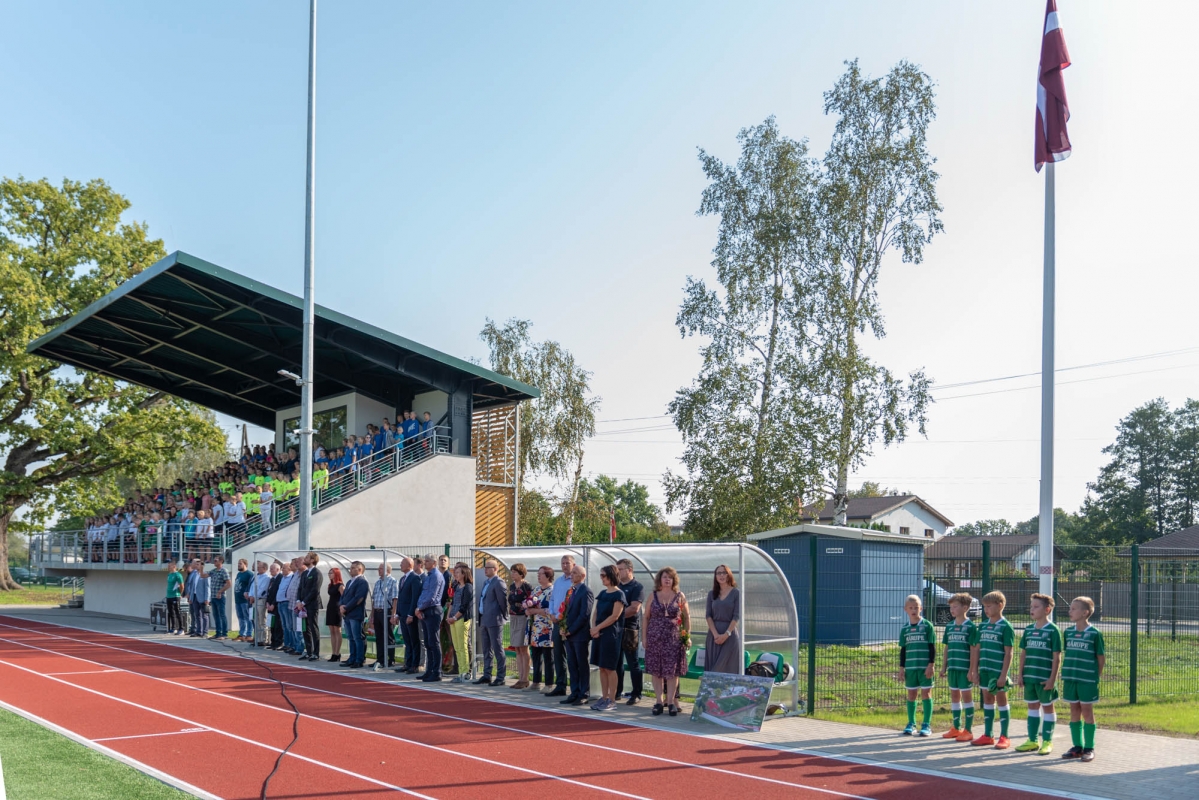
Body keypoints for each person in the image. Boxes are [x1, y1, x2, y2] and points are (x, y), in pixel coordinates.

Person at [1014, 593, 1062, 755]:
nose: (1032, 609)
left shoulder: (1053, 630)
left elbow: (1057, 657)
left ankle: (1047, 741)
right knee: (1032, 707)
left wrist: (1052, 679)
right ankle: (1032, 740)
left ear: (1047, 610)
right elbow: (1023, 654)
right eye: (1031, 606)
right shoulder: (1028, 630)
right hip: (1030, 677)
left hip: (1045, 679)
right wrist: (1020, 674)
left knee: (1048, 707)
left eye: (1036, 607)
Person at [1061, 596, 1104, 762]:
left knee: (1087, 711)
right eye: (1070, 608)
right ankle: (1077, 747)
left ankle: (1089, 747)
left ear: (1085, 612)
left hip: (1087, 680)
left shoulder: (1094, 634)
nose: (1070, 611)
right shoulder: (1069, 632)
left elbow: (1100, 657)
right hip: (1071, 677)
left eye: (1074, 609)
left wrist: (1095, 676)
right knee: (1074, 710)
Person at [973, 590, 1015, 749]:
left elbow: (1009, 652)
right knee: (987, 699)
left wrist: (1003, 675)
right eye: (984, 606)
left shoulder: (1006, 626)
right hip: (985, 670)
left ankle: (1005, 736)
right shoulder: (983, 625)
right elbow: (976, 649)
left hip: (998, 671)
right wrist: (974, 671)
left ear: (1000, 605)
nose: (986, 609)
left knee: (1002, 700)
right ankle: (988, 735)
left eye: (989, 606)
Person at [644, 566, 689, 717]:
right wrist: (644, 638)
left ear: (674, 580)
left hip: (673, 639)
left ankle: (671, 702)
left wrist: (687, 636)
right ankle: (658, 701)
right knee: (657, 671)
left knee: (672, 672)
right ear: (660, 579)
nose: (667, 580)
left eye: (670, 577)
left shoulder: (679, 595)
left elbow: (687, 617)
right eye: (664, 577)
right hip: (655, 638)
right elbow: (646, 617)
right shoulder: (653, 595)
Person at [939, 593, 980, 742]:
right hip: (953, 668)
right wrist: (944, 667)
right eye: (951, 607)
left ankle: (968, 730)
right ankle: (956, 727)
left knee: (967, 697)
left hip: (964, 669)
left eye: (955, 606)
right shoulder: (949, 626)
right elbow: (947, 648)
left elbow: (974, 650)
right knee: (955, 697)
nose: (952, 609)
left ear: (965, 608)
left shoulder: (970, 627)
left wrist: (972, 670)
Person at [898, 594, 936, 736]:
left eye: (916, 607)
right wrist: (902, 668)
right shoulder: (905, 629)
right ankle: (911, 723)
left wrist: (931, 665)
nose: (914, 610)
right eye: (911, 608)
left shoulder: (927, 626)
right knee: (911, 694)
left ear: (921, 608)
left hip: (924, 667)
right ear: (905, 609)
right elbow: (903, 650)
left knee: (926, 693)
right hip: (911, 667)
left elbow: (932, 647)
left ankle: (926, 724)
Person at [589, 565, 626, 711]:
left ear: (611, 576)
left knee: (610, 668)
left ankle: (612, 699)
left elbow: (614, 616)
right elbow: (595, 613)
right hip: (599, 635)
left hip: (611, 635)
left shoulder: (619, 595)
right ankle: (603, 697)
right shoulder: (602, 594)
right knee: (602, 667)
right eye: (601, 575)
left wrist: (598, 628)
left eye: (604, 575)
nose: (602, 578)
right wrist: (593, 628)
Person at [561, 564, 594, 706]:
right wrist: (563, 627)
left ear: (582, 576)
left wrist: (571, 630)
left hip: (579, 634)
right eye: (572, 573)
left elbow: (584, 615)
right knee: (572, 664)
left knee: (581, 664)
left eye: (575, 573)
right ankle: (574, 692)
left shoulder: (586, 591)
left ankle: (584, 693)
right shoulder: (571, 591)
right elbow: (566, 611)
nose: (572, 575)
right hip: (569, 634)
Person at [474, 559, 509, 686]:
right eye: (485, 567)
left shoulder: (499, 583)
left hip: (495, 620)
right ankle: (487, 674)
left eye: (488, 567)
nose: (485, 569)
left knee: (497, 648)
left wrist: (502, 617)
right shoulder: (486, 582)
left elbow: (503, 602)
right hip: (484, 619)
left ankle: (500, 676)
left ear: (495, 569)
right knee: (486, 649)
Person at [544, 554, 576, 698]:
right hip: (556, 622)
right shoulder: (558, 582)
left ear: (573, 565)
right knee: (558, 655)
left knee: (572, 655)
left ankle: (576, 687)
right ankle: (560, 685)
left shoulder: (576, 581)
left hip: (569, 623)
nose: (564, 566)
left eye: (567, 563)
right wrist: (551, 613)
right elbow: (552, 600)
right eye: (562, 563)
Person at [614, 559, 644, 704]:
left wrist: (614, 615)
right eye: (617, 569)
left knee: (633, 662)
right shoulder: (616, 586)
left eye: (620, 569)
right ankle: (617, 692)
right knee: (616, 662)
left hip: (630, 630)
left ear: (629, 570)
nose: (618, 572)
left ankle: (637, 693)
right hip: (615, 629)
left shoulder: (637, 586)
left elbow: (634, 609)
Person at [704, 564, 741, 675]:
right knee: (713, 670)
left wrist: (726, 634)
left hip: (729, 636)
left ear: (728, 574)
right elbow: (708, 615)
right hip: (714, 636)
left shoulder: (736, 593)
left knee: (727, 669)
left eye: (724, 572)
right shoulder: (711, 594)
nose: (721, 575)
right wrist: (716, 635)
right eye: (718, 573)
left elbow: (736, 616)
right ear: (715, 576)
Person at [414, 554, 445, 682]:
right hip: (426, 610)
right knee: (427, 642)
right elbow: (423, 594)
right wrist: (419, 607)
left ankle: (437, 671)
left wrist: (419, 608)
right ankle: (429, 670)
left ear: (434, 563)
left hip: (433, 611)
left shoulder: (436, 576)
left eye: (427, 561)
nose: (425, 563)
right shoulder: (428, 576)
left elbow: (432, 597)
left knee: (434, 642)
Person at [526, 566, 555, 692]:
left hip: (547, 627)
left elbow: (552, 610)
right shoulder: (536, 590)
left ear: (548, 576)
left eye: (541, 574)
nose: (538, 576)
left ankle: (549, 684)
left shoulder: (552, 591)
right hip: (535, 627)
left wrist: (536, 610)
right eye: (538, 574)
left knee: (548, 657)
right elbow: (529, 602)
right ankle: (536, 682)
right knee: (536, 655)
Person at [394, 557, 423, 673]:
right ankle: (408, 663)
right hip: (402, 614)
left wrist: (411, 614)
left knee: (413, 640)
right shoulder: (402, 579)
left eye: (402, 563)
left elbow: (414, 598)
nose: (400, 565)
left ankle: (414, 665)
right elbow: (401, 598)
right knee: (407, 640)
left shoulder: (415, 578)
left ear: (409, 565)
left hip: (410, 615)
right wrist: (397, 614)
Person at [507, 563, 533, 689]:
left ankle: (525, 678)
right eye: (512, 572)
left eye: (515, 572)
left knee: (523, 647)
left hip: (523, 617)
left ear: (521, 573)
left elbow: (531, 601)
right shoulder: (512, 586)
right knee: (516, 647)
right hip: (513, 616)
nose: (512, 574)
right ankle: (520, 676)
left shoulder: (526, 586)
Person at [446, 563, 474, 682]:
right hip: (453, 618)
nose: (455, 574)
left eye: (457, 572)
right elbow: (452, 603)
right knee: (457, 647)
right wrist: (448, 615)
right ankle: (461, 671)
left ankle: (465, 672)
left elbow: (464, 606)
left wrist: (455, 617)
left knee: (463, 646)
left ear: (464, 574)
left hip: (462, 619)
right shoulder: (457, 586)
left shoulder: (468, 587)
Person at [339, 561, 369, 668]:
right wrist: (341, 605)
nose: (350, 570)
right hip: (347, 614)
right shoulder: (349, 582)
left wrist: (346, 607)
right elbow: (343, 596)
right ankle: (352, 658)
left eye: (353, 568)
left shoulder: (362, 582)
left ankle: (359, 659)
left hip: (355, 614)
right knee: (350, 637)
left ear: (359, 570)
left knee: (357, 637)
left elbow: (358, 598)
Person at [370, 563, 399, 668]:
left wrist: (393, 614)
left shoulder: (393, 581)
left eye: (381, 568)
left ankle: (391, 659)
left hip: (386, 611)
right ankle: (380, 659)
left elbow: (395, 598)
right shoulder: (377, 582)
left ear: (388, 570)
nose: (379, 570)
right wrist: (372, 616)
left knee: (389, 636)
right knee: (379, 636)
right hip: (377, 611)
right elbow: (374, 599)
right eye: (379, 568)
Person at [297, 552, 324, 661]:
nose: (305, 559)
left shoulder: (317, 573)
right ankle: (308, 651)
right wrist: (299, 600)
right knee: (305, 628)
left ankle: (316, 653)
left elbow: (315, 590)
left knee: (313, 627)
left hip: (312, 604)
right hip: (303, 605)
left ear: (312, 560)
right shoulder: (304, 573)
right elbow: (300, 588)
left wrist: (304, 602)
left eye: (307, 557)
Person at [248, 561, 271, 647]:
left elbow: (263, 589)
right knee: (255, 620)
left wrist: (255, 596)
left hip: (261, 600)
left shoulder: (267, 577)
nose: (257, 569)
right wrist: (250, 596)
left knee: (262, 620)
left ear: (264, 568)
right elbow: (252, 587)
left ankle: (264, 639)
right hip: (253, 600)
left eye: (259, 567)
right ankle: (257, 639)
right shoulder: (256, 576)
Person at [208, 556, 230, 640]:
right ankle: (218, 633)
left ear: (221, 561)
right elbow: (203, 575)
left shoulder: (224, 571)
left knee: (222, 615)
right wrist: (201, 568)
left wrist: (220, 591)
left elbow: (228, 584)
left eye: (216, 560)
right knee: (216, 615)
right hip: (213, 596)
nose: (214, 561)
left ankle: (224, 634)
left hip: (220, 597)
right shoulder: (213, 571)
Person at [275, 561, 296, 652]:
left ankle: (291, 644)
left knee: (289, 625)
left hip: (286, 602)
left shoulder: (291, 577)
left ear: (289, 569)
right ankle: (286, 643)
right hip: (280, 602)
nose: (282, 570)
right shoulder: (283, 578)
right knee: (284, 625)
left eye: (284, 568)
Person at [326, 567, 345, 662]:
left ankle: (337, 653)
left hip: (337, 608)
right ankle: (333, 652)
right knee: (332, 630)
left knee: (337, 630)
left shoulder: (340, 585)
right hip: (330, 607)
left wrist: (342, 607)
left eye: (331, 573)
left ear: (336, 574)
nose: (330, 575)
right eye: (329, 573)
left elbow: (344, 597)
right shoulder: (330, 585)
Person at [233, 558, 253, 641]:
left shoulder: (249, 574)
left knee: (247, 617)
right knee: (240, 617)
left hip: (245, 600)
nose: (238, 565)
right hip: (238, 599)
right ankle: (242, 634)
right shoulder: (238, 574)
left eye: (240, 563)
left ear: (245, 564)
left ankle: (249, 634)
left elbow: (251, 586)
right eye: (238, 563)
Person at [191, 559, 212, 638]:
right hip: (195, 596)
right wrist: (191, 596)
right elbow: (193, 586)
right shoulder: (195, 574)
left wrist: (207, 598)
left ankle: (205, 632)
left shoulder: (205, 574)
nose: (196, 566)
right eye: (196, 564)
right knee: (197, 615)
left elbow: (207, 587)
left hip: (203, 597)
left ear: (202, 566)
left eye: (198, 564)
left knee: (204, 615)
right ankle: (199, 631)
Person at [265, 561, 284, 649]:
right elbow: (269, 592)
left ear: (277, 569)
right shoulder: (272, 579)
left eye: (272, 569)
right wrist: (268, 602)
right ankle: (273, 642)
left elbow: (277, 592)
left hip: (275, 605)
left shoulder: (280, 578)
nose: (270, 570)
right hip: (270, 605)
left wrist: (273, 604)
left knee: (277, 625)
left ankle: (278, 642)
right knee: (271, 624)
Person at [165, 561, 184, 635]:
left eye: (169, 566)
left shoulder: (178, 575)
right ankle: (173, 628)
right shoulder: (169, 574)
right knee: (171, 612)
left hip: (175, 595)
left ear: (174, 566)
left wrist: (180, 594)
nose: (168, 567)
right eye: (168, 566)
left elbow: (182, 586)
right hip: (169, 595)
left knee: (177, 611)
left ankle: (181, 628)